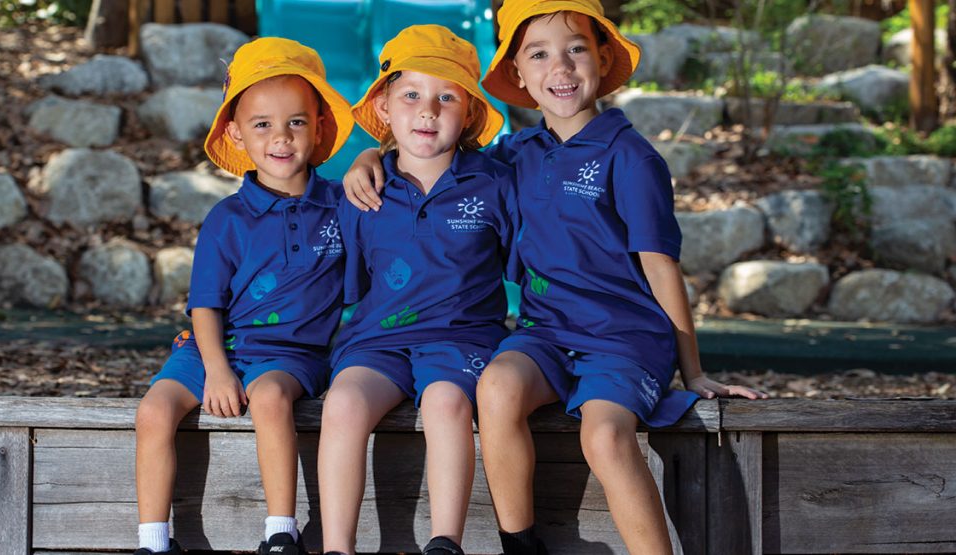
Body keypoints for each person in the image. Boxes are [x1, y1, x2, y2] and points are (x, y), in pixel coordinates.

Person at [341, 1, 767, 553]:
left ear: (603, 56)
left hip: (623, 339)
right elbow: (431, 147)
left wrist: (694, 371)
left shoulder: (631, 158)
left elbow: (662, 266)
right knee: (496, 386)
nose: (559, 68)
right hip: (545, 335)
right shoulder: (516, 154)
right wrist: (370, 154)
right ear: (518, 73)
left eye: (576, 50)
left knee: (605, 436)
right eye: (538, 54)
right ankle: (521, 543)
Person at [132, 37, 353, 555]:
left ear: (319, 124)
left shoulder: (343, 206)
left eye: (296, 121)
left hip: (292, 356)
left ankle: (280, 533)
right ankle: (153, 541)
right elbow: (205, 304)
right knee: (153, 411)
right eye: (262, 125)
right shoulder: (227, 220)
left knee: (271, 399)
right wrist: (215, 369)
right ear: (236, 132)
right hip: (213, 348)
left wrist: (367, 159)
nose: (281, 137)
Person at [317, 24, 519, 555]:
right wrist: (366, 158)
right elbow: (352, 284)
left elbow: (522, 264)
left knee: (446, 402)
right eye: (411, 95)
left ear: (470, 114)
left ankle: (444, 543)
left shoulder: (495, 183)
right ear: (383, 107)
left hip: (463, 340)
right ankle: (337, 546)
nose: (427, 110)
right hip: (377, 340)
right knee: (342, 403)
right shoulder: (363, 191)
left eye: (446, 97)